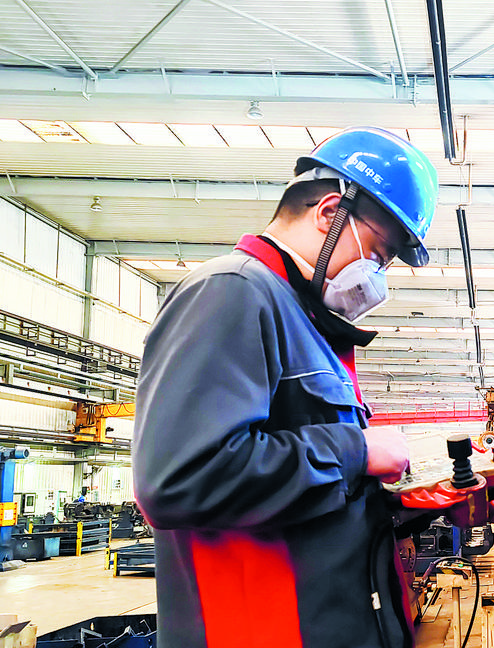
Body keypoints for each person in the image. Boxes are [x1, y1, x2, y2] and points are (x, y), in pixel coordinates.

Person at [132, 127, 438, 648]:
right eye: (379, 253)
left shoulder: (305, 324)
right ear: (329, 212)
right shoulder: (232, 291)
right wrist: (357, 450)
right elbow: (181, 479)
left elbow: (310, 503)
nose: (377, 276)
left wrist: (425, 503)